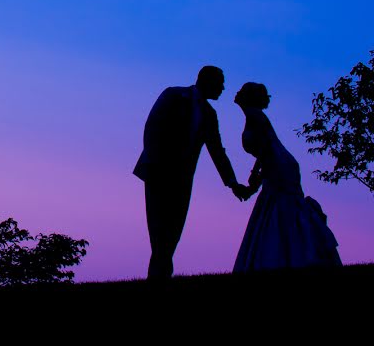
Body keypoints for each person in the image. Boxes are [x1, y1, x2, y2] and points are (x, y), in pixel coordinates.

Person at [133, 66, 250, 279]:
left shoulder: (209, 114)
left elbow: (217, 150)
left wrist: (232, 183)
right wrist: (159, 164)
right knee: (159, 230)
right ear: (207, 81)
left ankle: (158, 276)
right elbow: (152, 129)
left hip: (183, 179)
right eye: (220, 83)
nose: (223, 88)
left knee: (173, 232)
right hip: (158, 173)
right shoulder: (173, 95)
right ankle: (160, 276)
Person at [232, 82, 342, 273]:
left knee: (283, 207)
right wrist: (255, 175)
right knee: (279, 207)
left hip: (280, 166)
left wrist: (255, 180)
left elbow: (266, 150)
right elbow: (264, 149)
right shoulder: (254, 116)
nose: (235, 93)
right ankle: (292, 255)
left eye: (242, 92)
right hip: (279, 163)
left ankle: (293, 255)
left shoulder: (254, 116)